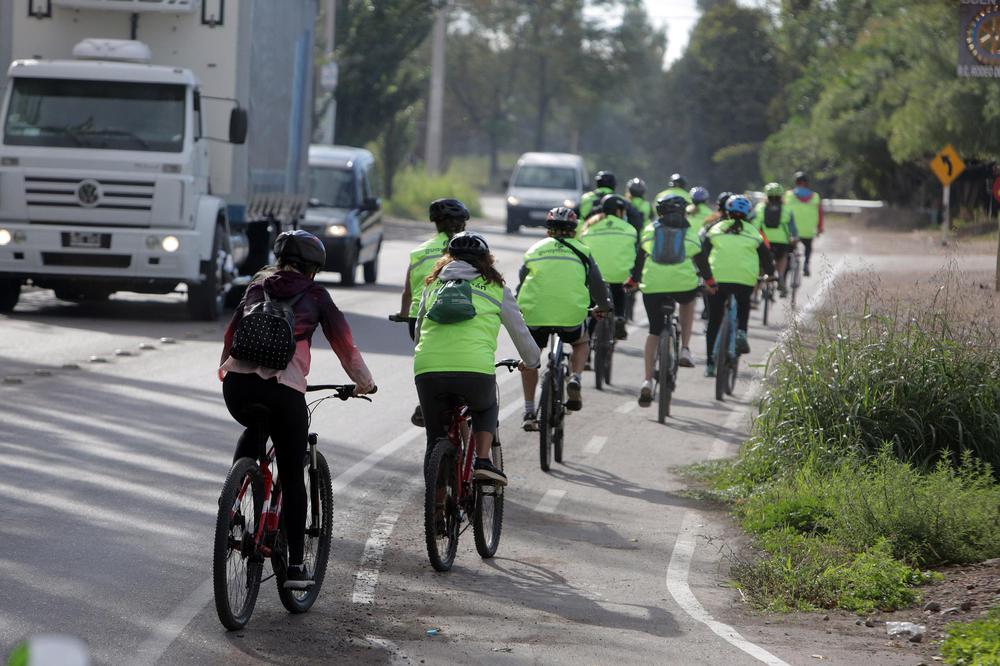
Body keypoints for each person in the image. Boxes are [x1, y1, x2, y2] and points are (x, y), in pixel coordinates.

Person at [219, 230, 376, 589]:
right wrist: (364, 381)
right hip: (284, 392)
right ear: (314, 268)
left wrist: (225, 367)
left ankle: (233, 502)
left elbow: (232, 334)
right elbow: (344, 345)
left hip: (238, 387)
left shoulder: (257, 286)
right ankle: (294, 565)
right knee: (292, 472)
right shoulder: (316, 295)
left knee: (253, 429)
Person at [414, 231, 541, 486]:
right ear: (486, 260)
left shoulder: (433, 284)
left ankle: (436, 510)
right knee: (485, 406)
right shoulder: (496, 288)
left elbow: (418, 332)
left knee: (434, 437)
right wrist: (532, 361)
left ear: (449, 257)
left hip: (428, 368)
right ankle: (483, 461)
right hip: (475, 370)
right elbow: (519, 331)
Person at [516, 207, 613, 430]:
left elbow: (522, 284)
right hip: (571, 316)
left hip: (535, 315)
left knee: (530, 359)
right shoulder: (583, 251)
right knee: (581, 342)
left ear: (548, 230)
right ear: (573, 230)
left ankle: (529, 411)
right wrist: (604, 306)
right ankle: (576, 377)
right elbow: (597, 285)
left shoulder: (534, 250)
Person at [396, 198, 470, 426]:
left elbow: (408, 291)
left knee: (429, 360)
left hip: (419, 316)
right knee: (461, 360)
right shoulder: (469, 247)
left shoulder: (419, 251)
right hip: (458, 311)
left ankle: (426, 402)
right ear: (461, 224)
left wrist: (402, 313)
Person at [633, 195, 711, 407]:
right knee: (688, 302)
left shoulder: (649, 231)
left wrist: (632, 281)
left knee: (654, 331)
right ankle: (685, 348)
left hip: (652, 286)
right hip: (683, 285)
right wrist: (711, 281)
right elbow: (701, 259)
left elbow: (639, 259)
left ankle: (647, 380)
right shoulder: (689, 232)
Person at [701, 195, 775, 377]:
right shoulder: (754, 232)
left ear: (726, 211)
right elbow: (766, 257)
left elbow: (702, 255)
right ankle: (742, 331)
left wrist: (704, 276)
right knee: (744, 303)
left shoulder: (715, 228)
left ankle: (710, 363)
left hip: (717, 279)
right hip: (745, 279)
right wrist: (771, 274)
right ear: (748, 214)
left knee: (714, 321)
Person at [579, 194, 639, 340]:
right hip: (619, 276)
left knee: (593, 307)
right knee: (620, 289)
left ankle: (586, 347)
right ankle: (619, 316)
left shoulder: (588, 229)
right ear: (619, 211)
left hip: (594, 277)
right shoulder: (630, 229)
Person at [753, 182, 798, 297]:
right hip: (781, 241)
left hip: (763, 240)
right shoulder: (787, 209)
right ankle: (781, 276)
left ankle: (756, 293)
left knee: (762, 264)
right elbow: (792, 228)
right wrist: (794, 238)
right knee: (782, 257)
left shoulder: (759, 207)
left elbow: (754, 224)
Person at [784, 171, 822, 276]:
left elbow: (783, 211)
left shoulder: (788, 195)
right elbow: (820, 214)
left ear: (796, 182)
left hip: (791, 230)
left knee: (788, 251)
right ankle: (806, 264)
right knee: (808, 246)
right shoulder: (815, 196)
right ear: (807, 183)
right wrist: (819, 228)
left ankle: (785, 273)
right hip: (808, 230)